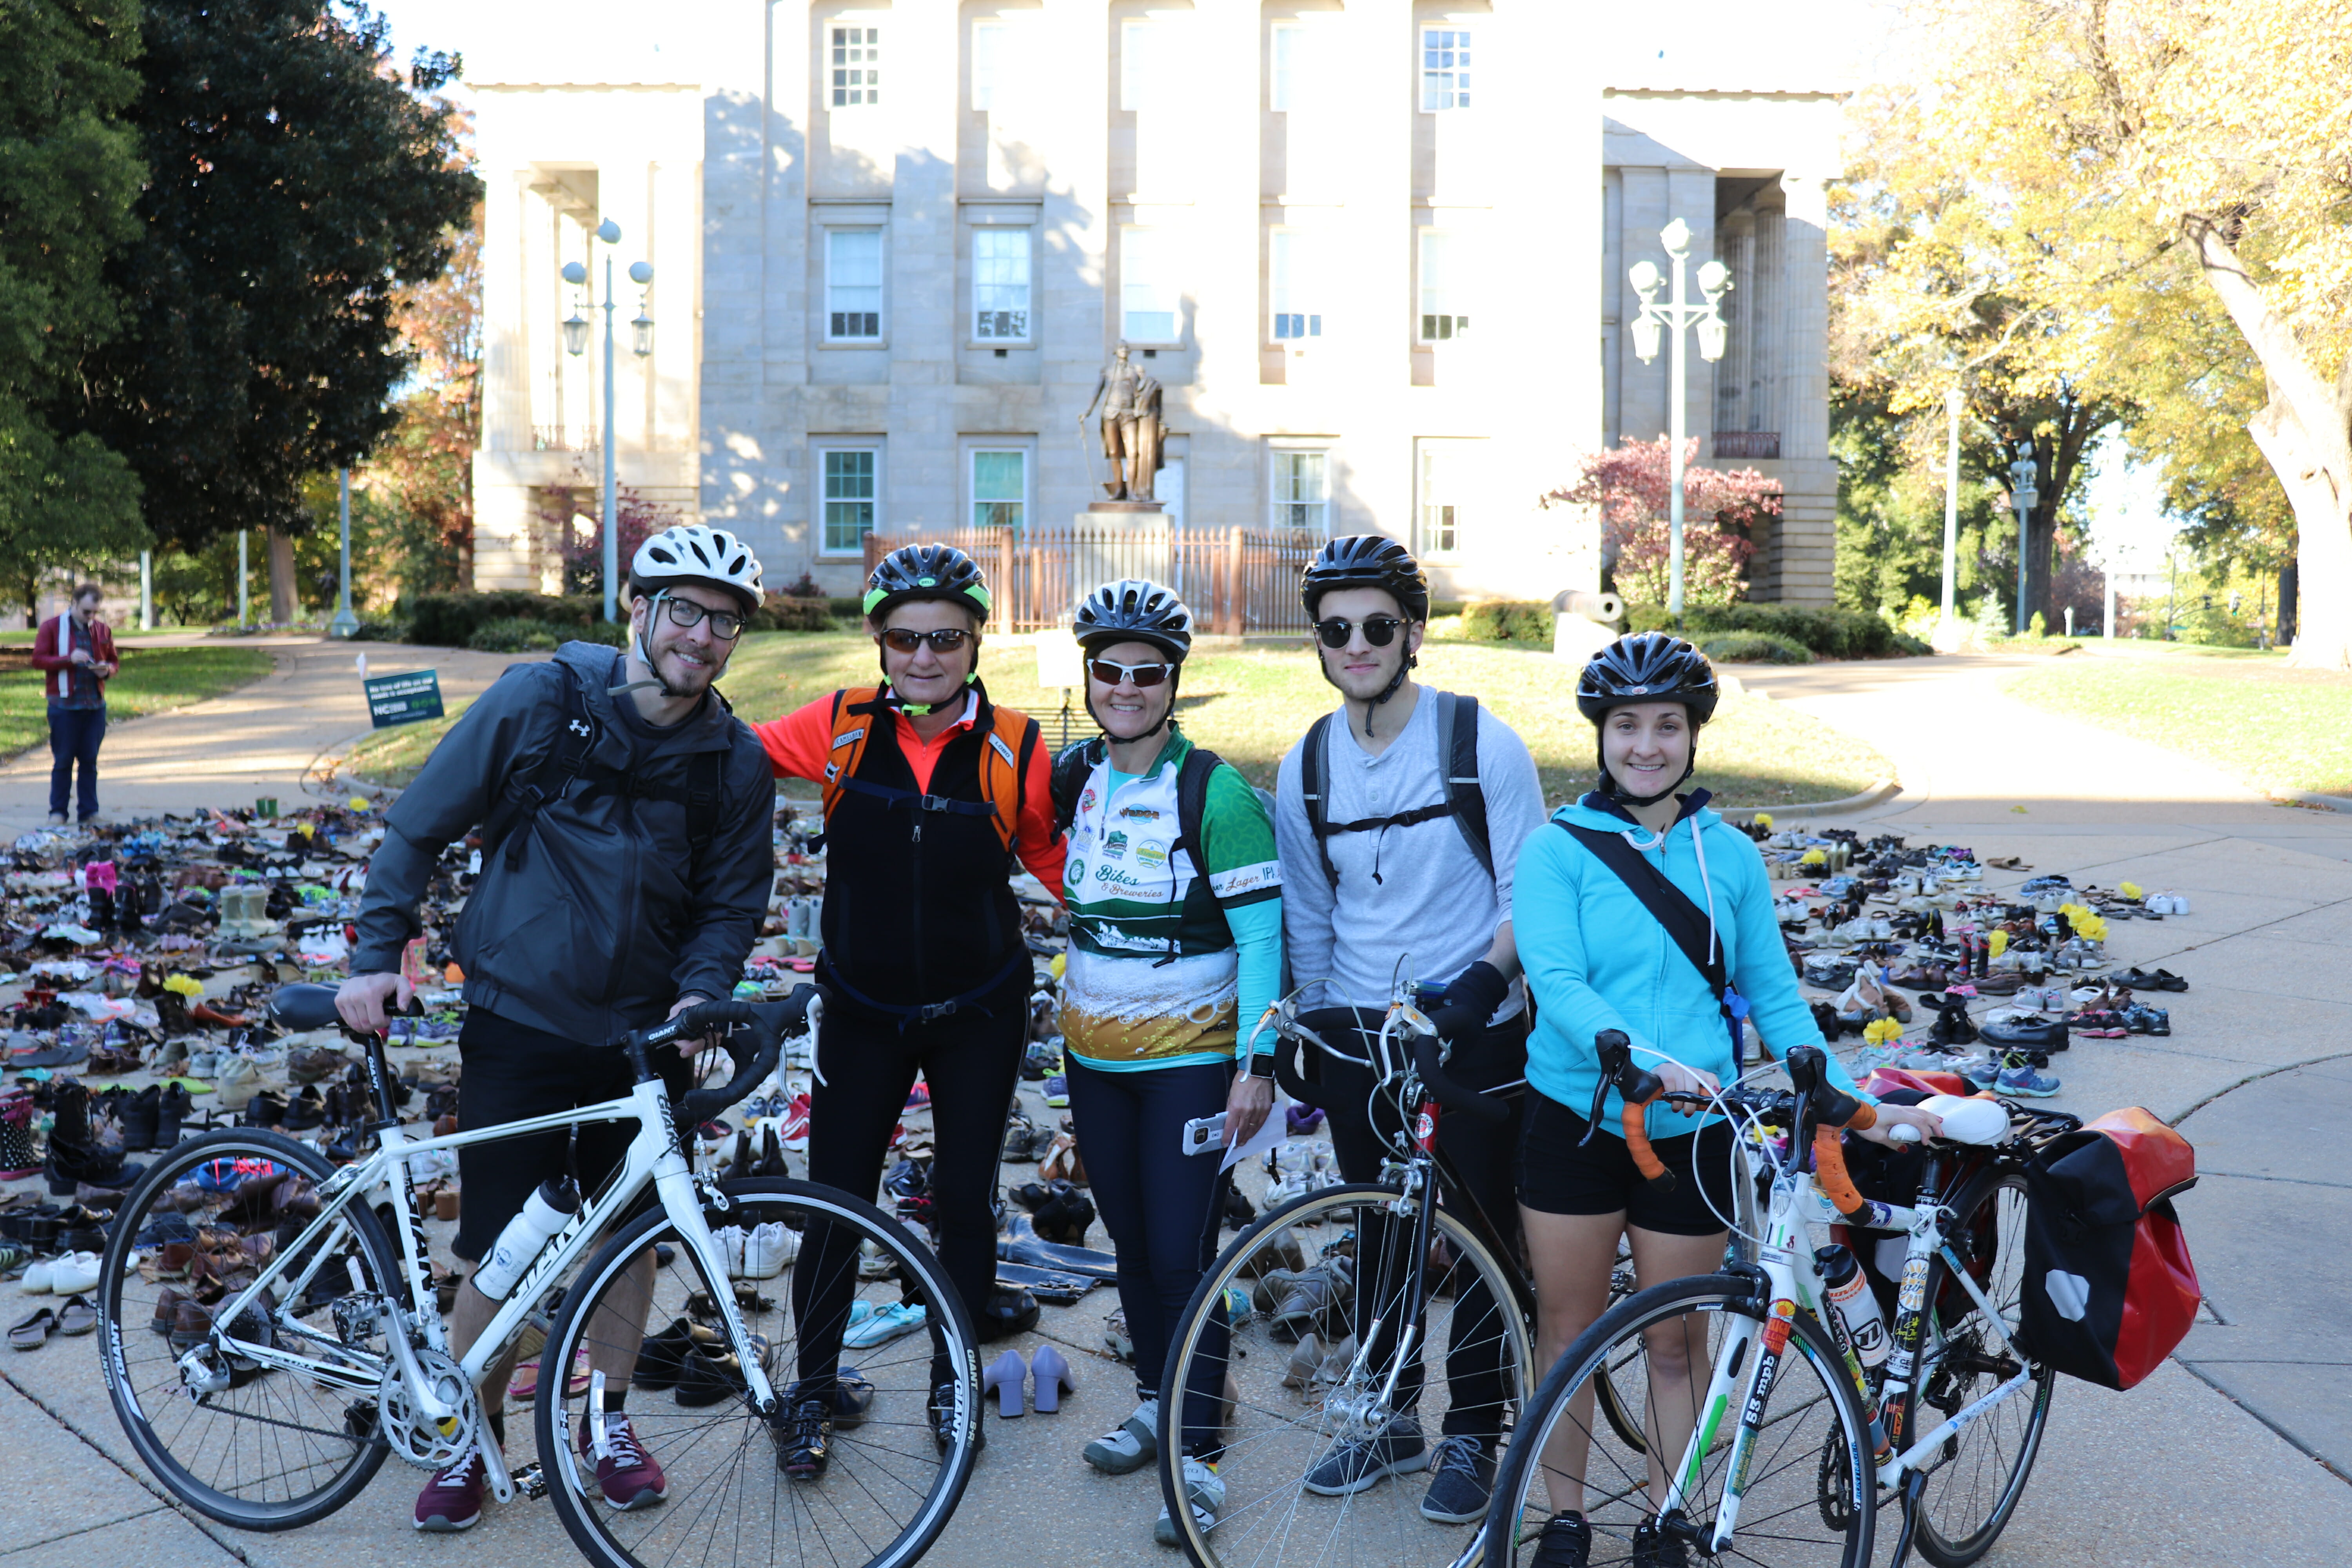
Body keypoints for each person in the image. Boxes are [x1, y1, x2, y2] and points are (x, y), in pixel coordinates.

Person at [339, 524, 777, 1532]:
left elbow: (730, 904)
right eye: (685, 610)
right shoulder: (542, 701)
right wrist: (375, 953)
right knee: (498, 1244)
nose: (702, 635)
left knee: (632, 1235)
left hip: (644, 1040)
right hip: (520, 1017)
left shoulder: (735, 762)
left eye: (725, 621)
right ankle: (471, 1435)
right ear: (639, 609)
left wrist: (701, 993)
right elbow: (420, 823)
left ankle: (605, 1423)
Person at [1512, 631, 1940, 1568]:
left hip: (1695, 1132)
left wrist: (1849, 1097)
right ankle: (1564, 1518)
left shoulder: (1731, 856)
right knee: (1569, 1331)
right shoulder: (1555, 850)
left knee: (1676, 1340)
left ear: (1693, 734)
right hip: (1578, 1119)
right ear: (1601, 736)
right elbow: (1557, 977)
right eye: (1628, 725)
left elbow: (1775, 992)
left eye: (1667, 725)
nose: (1647, 745)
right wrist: (1636, 1059)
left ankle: (1671, 1518)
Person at [749, 543, 1064, 1474]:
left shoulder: (1016, 746)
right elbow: (726, 749)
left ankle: (950, 1380)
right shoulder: (839, 724)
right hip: (860, 1008)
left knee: (964, 1202)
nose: (925, 656)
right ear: (880, 642)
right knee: (836, 1203)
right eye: (906, 638)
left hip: (979, 1011)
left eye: (946, 638)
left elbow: (1060, 865)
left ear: (976, 643)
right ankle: (813, 1390)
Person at [1271, 535, 1550, 1526]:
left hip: (1475, 1028)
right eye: (1336, 629)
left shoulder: (1480, 743)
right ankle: (1391, 1416)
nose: (1357, 644)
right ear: (1317, 640)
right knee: (1382, 1229)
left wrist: (1480, 985)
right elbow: (1310, 911)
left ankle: (1474, 1427)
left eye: (1378, 625)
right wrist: (1313, 1023)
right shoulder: (1309, 762)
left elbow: (1529, 895)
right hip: (1361, 1033)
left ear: (1414, 633)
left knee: (1479, 1237)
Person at [1051, 580, 1282, 1545]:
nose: (1127, 686)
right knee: (1133, 1246)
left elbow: (1263, 938)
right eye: (1109, 669)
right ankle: (1158, 1399)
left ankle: (1200, 1456)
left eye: (1147, 672)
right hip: (1092, 1059)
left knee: (1183, 1257)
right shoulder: (1077, 775)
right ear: (1090, 677)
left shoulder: (1215, 792)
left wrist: (1257, 1062)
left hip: (1190, 1061)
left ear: (1174, 682)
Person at [33, 584, 118, 828]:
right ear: (74, 603)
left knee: (90, 761)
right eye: (86, 611)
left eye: (95, 612)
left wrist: (107, 670)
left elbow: (113, 661)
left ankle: (90, 813)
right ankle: (58, 813)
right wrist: (68, 660)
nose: (91, 617)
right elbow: (38, 660)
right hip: (64, 706)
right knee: (63, 761)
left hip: (94, 706)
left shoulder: (102, 630)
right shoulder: (52, 627)